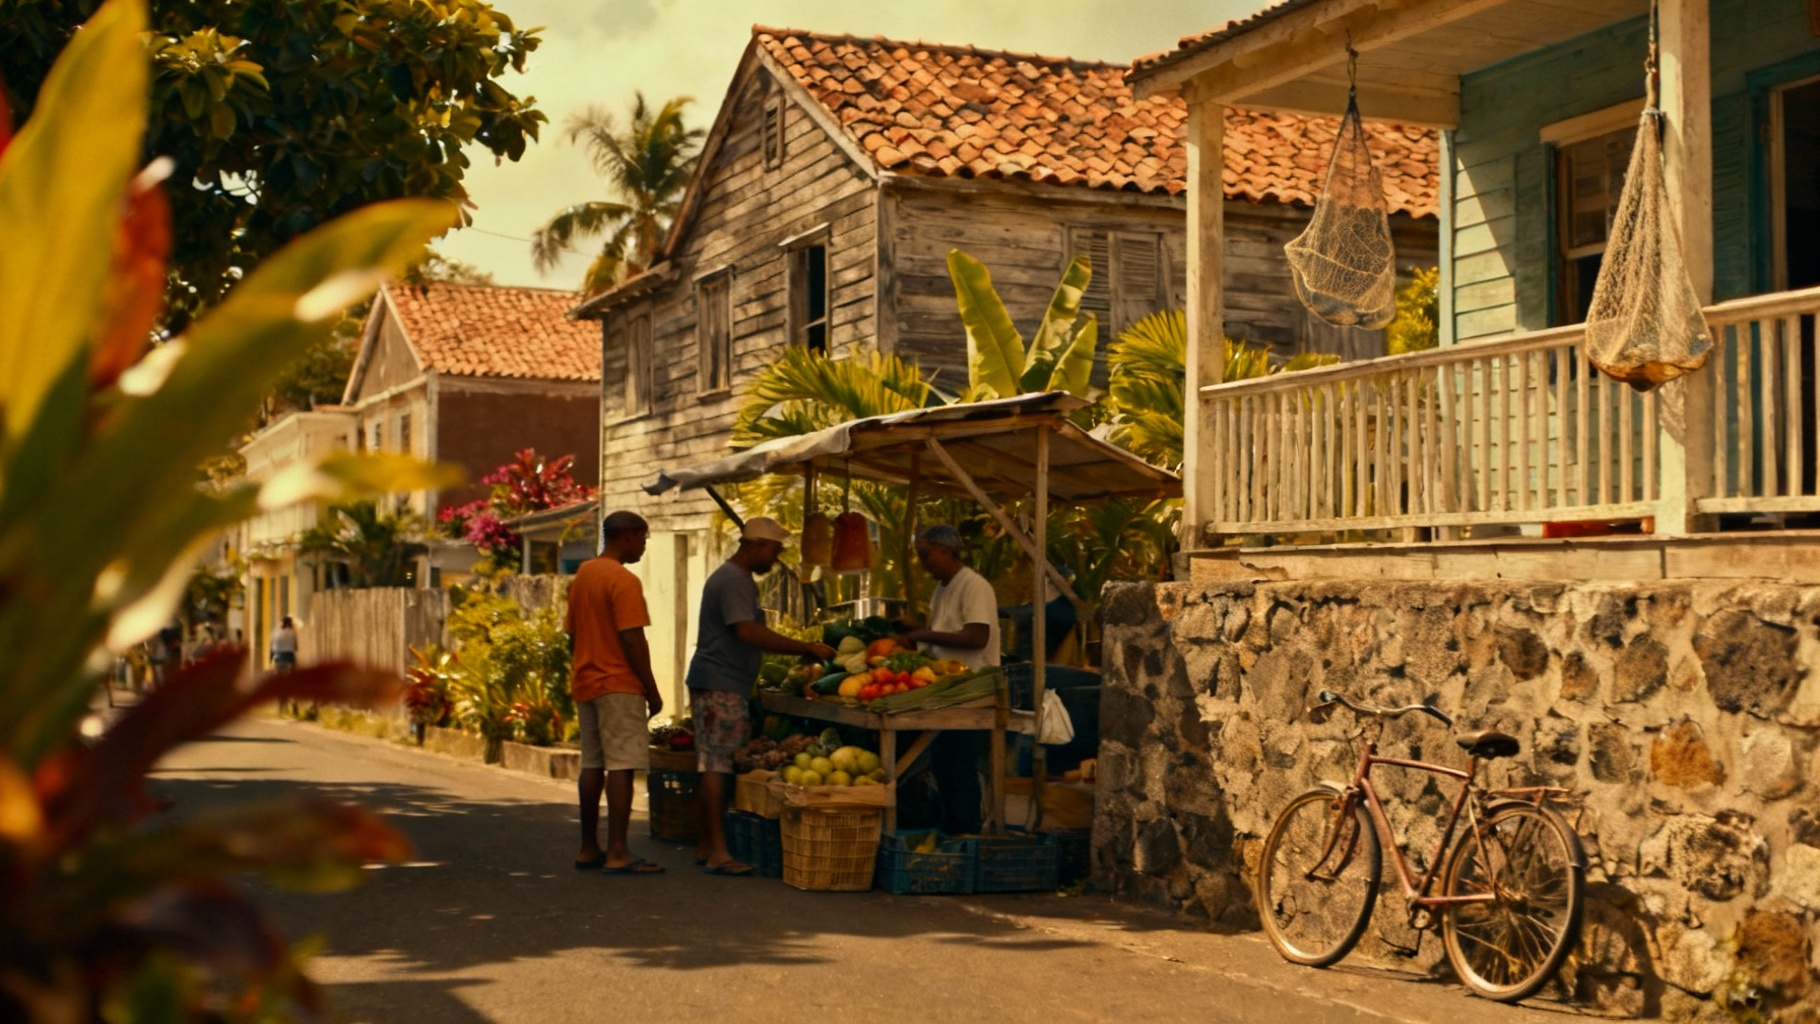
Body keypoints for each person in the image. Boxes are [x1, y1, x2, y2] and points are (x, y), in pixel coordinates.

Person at [686, 517, 836, 875]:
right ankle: (719, 852)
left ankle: (708, 844)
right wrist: (802, 646)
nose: (776, 557)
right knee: (717, 765)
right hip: (721, 682)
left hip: (720, 680)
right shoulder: (735, 581)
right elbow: (748, 631)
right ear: (755, 545)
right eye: (774, 549)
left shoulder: (733, 578)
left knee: (713, 762)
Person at [566, 511, 667, 875]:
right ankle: (619, 850)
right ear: (627, 537)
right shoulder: (623, 580)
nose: (643, 545)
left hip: (586, 681)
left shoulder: (583, 575)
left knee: (592, 764)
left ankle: (588, 847)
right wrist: (651, 688)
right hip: (619, 684)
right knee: (622, 764)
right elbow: (632, 637)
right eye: (642, 538)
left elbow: (572, 635)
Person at [900, 524, 1001, 834]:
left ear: (945, 551)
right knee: (944, 766)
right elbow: (943, 636)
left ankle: (966, 834)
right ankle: (949, 831)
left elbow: (976, 637)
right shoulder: (942, 587)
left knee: (959, 768)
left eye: (926, 555)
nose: (922, 562)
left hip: (972, 692)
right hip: (946, 692)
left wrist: (921, 633)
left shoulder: (974, 586)